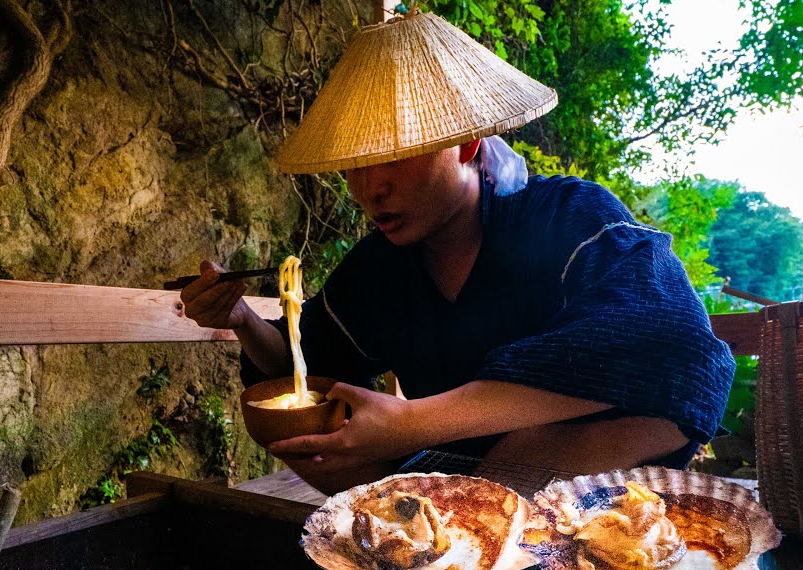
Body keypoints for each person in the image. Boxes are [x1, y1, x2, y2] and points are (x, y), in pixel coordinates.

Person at [180, 10, 735, 493]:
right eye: (354, 167)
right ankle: (448, 536)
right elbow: (305, 366)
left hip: (593, 480)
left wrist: (413, 423)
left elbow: (675, 345)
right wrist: (241, 319)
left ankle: (471, 523)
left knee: (636, 409)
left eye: (394, 157)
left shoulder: (565, 217)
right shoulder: (377, 270)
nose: (370, 189)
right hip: (448, 477)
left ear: (467, 143)